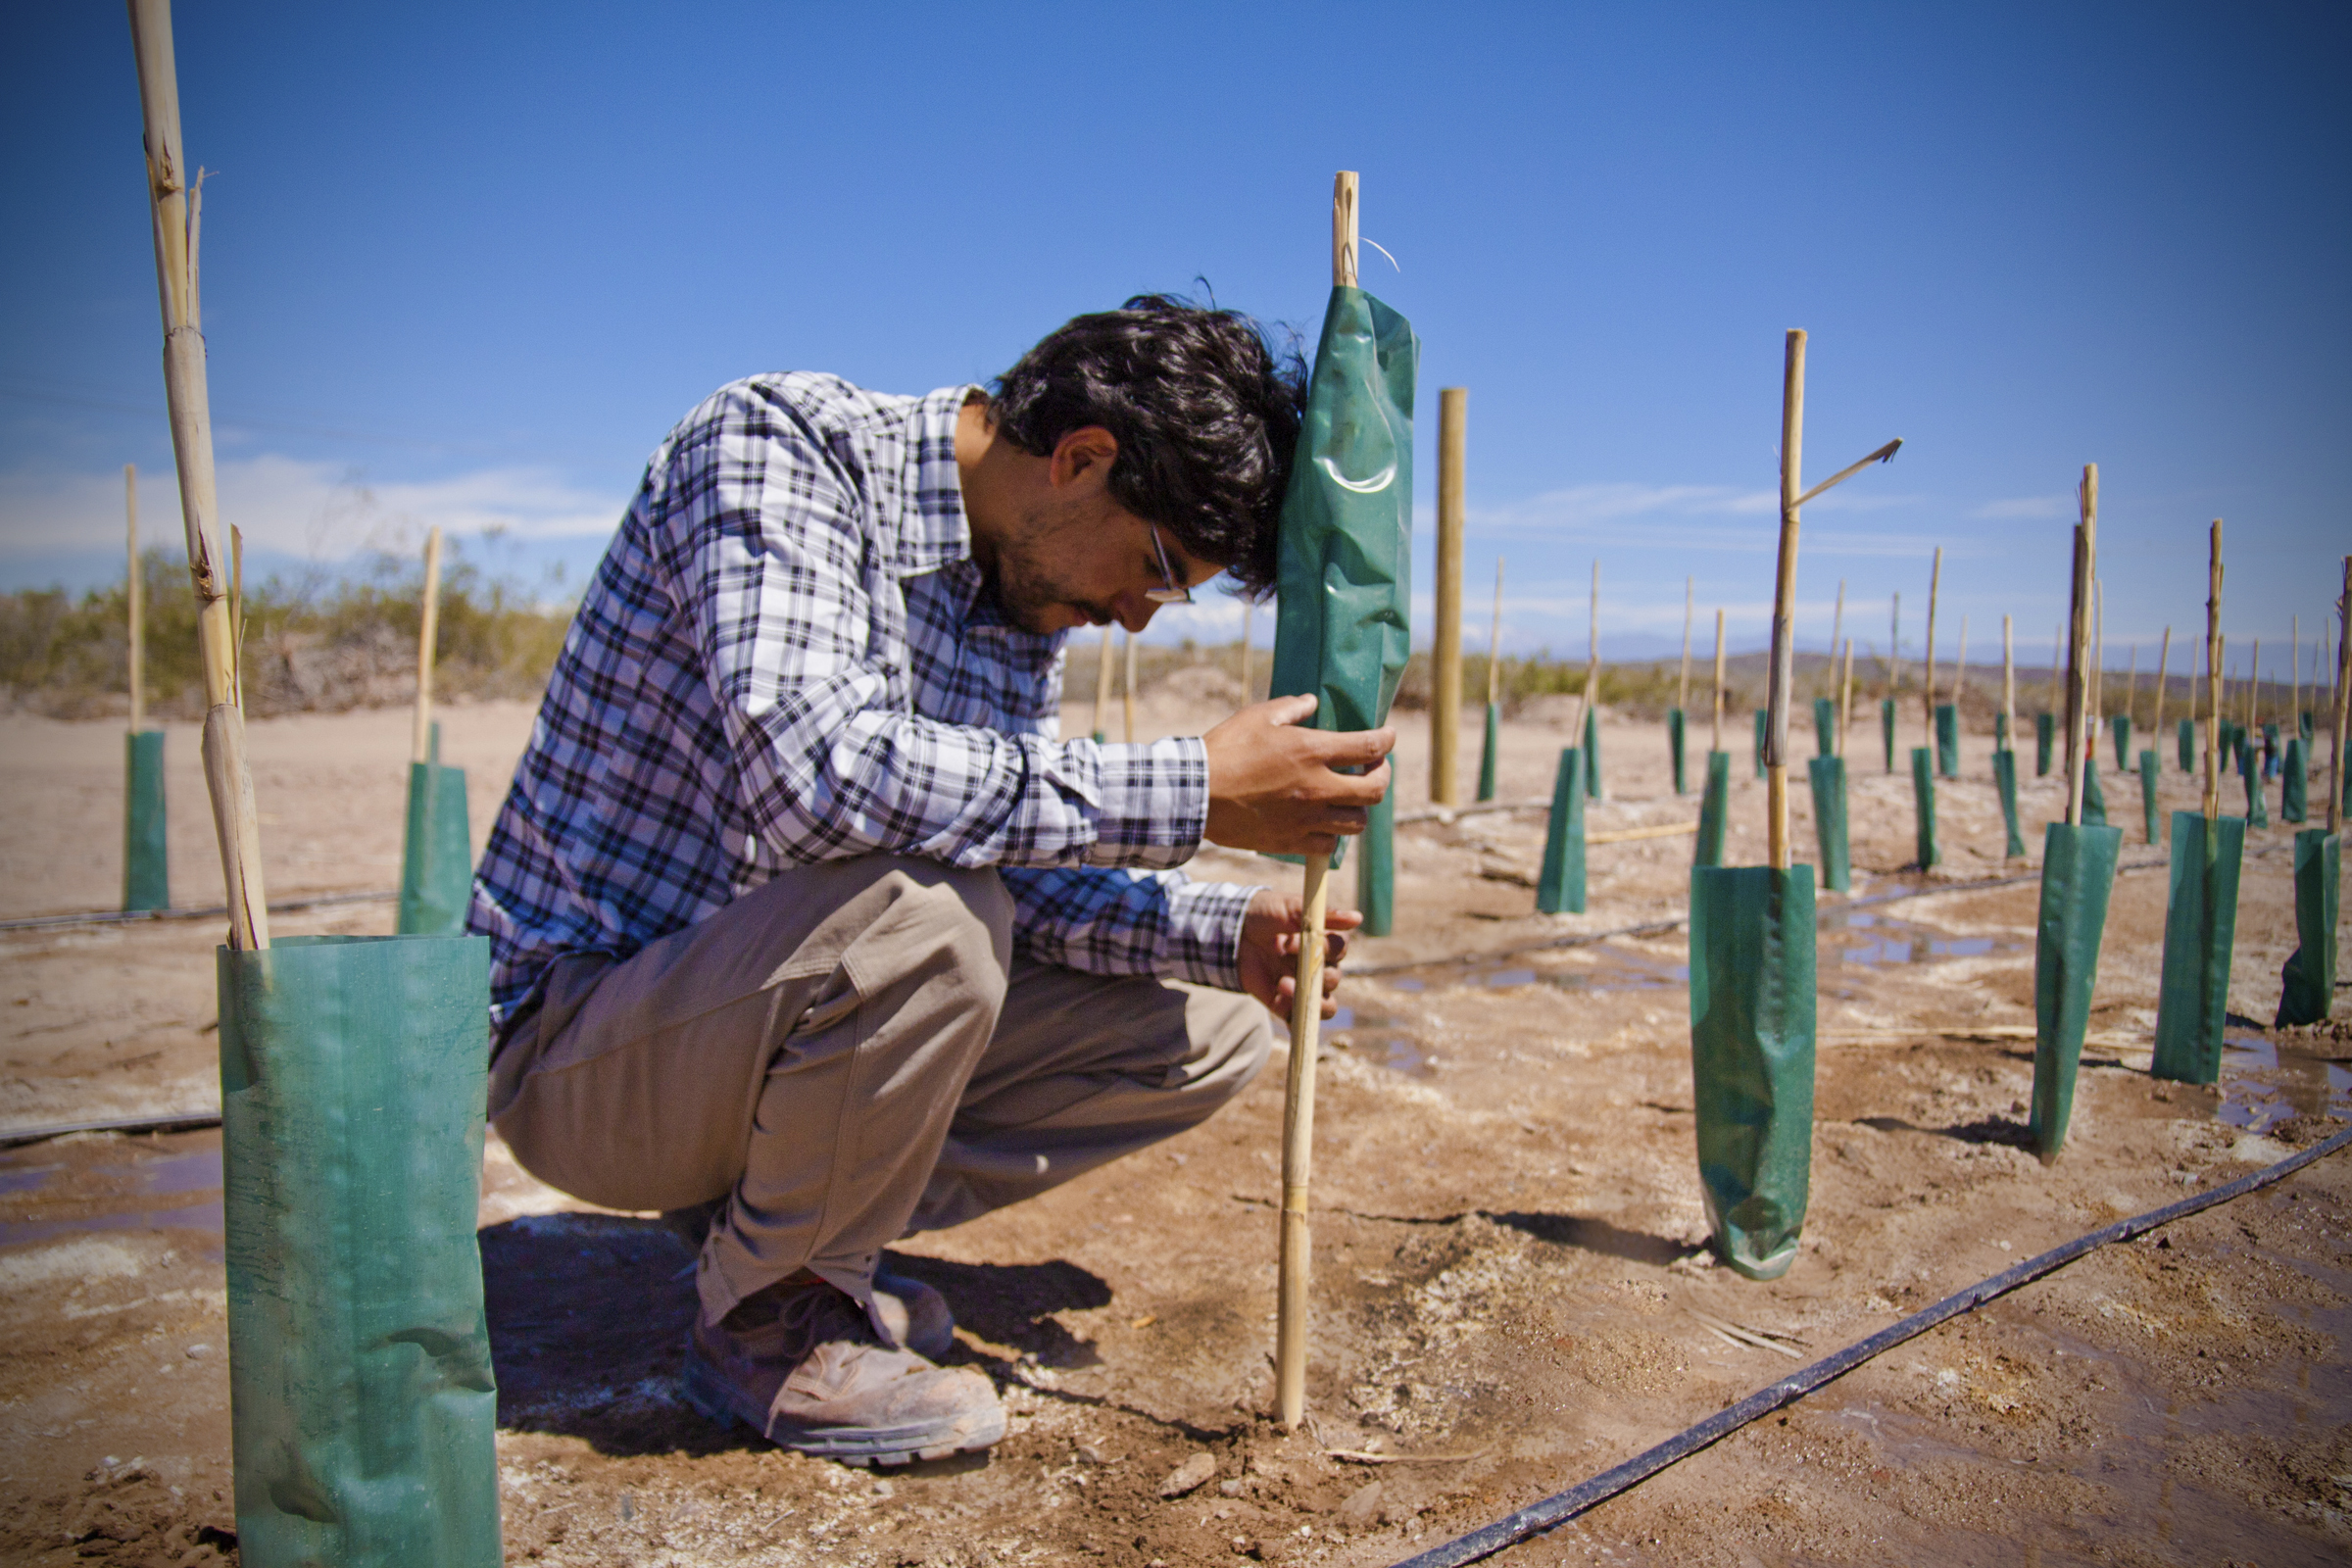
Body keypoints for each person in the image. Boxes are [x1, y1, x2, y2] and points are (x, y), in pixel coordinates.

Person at [470, 296, 1395, 1466]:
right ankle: (772, 1325)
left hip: (758, 1024)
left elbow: (1014, 874)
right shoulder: (780, 448)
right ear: (1081, 457)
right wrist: (1194, 788)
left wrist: (1227, 931)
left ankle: (769, 1236)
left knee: (1210, 1029)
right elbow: (822, 782)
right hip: (578, 1047)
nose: (1133, 617)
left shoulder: (1018, 597)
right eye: (1157, 568)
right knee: (928, 920)